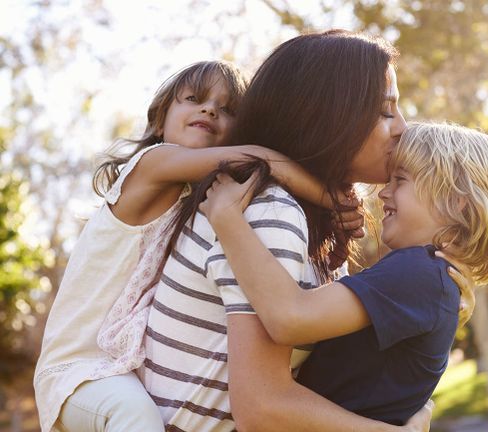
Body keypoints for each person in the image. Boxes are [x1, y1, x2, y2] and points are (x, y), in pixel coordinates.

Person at [139, 30, 435, 431]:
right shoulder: (267, 211)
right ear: (327, 115)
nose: (402, 127)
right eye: (385, 112)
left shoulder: (303, 218)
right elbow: (261, 408)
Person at [33, 60, 347, 432]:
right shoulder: (151, 164)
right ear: (159, 121)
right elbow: (260, 160)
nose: (210, 109)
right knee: (136, 417)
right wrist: (335, 201)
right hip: (79, 368)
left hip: (123, 366)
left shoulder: (196, 201)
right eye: (194, 98)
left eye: (227, 109)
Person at [202, 121, 488, 425]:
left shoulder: (419, 271)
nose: (384, 192)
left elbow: (290, 317)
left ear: (457, 204)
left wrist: (227, 218)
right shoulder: (433, 278)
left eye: (401, 180)